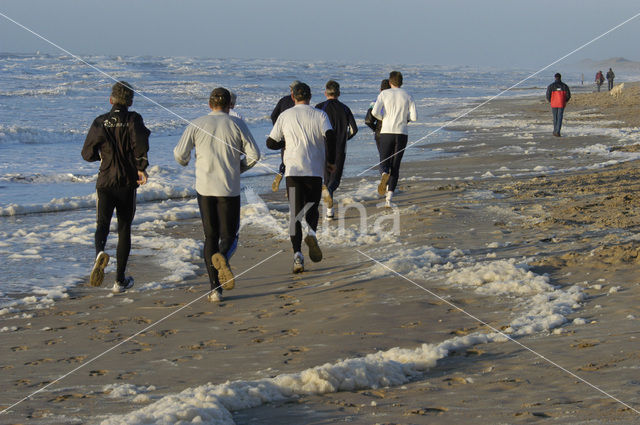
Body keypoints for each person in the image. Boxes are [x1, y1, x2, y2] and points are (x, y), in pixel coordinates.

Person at [174, 87, 260, 302]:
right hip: (228, 187)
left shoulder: (197, 123)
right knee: (230, 236)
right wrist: (239, 168)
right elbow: (255, 155)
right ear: (229, 104)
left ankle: (215, 290)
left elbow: (179, 154)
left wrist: (186, 161)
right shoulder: (237, 123)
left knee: (210, 237)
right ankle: (222, 257)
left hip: (204, 188)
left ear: (210, 104)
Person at [82, 81, 150, 293]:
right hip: (127, 182)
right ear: (130, 101)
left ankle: (100, 252)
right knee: (124, 229)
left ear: (111, 100)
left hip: (105, 181)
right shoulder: (133, 119)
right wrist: (142, 167)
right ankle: (119, 280)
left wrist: (101, 157)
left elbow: (86, 154)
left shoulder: (100, 121)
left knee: (102, 224)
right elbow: (141, 146)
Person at [266, 82, 336, 273]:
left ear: (293, 96)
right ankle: (312, 233)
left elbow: (270, 143)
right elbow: (331, 136)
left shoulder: (285, 116)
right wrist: (330, 161)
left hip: (293, 171)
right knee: (312, 209)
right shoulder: (320, 115)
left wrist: (285, 141)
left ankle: (297, 255)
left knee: (294, 214)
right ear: (310, 97)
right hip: (314, 170)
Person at [371, 71, 417, 207]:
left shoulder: (384, 94)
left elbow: (374, 112)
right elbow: (414, 117)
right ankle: (389, 199)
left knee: (384, 160)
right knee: (396, 166)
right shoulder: (408, 95)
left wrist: (383, 119)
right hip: (402, 133)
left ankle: (384, 173)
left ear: (390, 82)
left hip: (386, 132)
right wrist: (405, 118)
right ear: (401, 82)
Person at [315, 80, 358, 218]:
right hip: (339, 147)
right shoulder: (345, 108)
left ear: (325, 92)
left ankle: (329, 212)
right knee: (335, 178)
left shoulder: (319, 107)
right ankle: (329, 197)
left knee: (325, 176)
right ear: (339, 93)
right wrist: (345, 138)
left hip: (322, 146)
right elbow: (354, 129)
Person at [269, 80, 300, 192]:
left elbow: (273, 115)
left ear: (291, 89)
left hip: (284, 134)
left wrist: (278, 129)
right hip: (297, 134)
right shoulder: (300, 102)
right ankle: (290, 190)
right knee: (296, 160)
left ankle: (281, 173)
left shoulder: (283, 100)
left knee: (285, 158)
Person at [365, 78, 391, 174]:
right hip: (395, 130)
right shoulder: (396, 100)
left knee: (383, 157)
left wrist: (375, 129)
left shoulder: (375, 101)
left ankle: (384, 173)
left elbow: (368, 120)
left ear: (380, 90)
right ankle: (390, 182)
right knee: (393, 157)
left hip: (380, 132)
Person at [545, 73, 571, 137]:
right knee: (559, 117)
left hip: (554, 103)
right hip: (561, 103)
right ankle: (557, 131)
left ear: (555, 77)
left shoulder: (551, 86)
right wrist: (565, 101)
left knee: (555, 117)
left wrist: (551, 101)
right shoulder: (565, 86)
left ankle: (555, 131)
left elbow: (548, 95)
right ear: (560, 77)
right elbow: (568, 96)